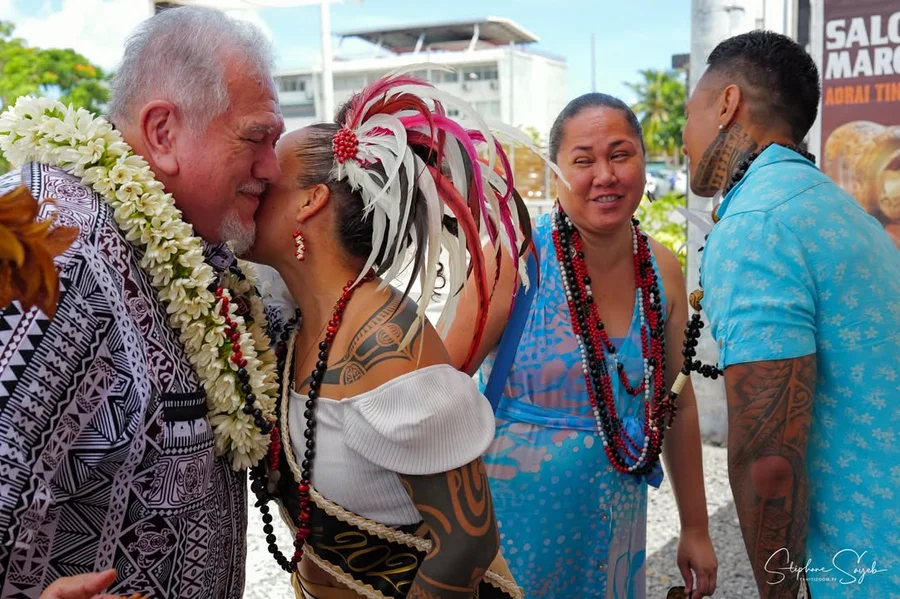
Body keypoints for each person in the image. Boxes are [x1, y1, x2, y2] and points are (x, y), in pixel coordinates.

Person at [0, 6, 283, 598]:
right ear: (162, 133)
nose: (272, 168)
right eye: (256, 139)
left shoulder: (208, 252)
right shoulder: (40, 241)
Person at [244, 73, 537, 599]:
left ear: (311, 202)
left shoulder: (390, 349)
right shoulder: (298, 321)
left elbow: (468, 543)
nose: (251, 183)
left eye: (266, 184)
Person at [442, 93, 718, 598]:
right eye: (583, 160)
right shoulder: (514, 259)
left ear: (643, 161)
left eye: (620, 154)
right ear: (557, 174)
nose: (605, 175)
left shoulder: (663, 270)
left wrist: (695, 527)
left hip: (615, 535)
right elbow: (437, 386)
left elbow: (675, 402)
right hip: (508, 539)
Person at [682, 30, 900, 597]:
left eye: (690, 115)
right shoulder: (836, 209)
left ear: (727, 105)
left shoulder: (758, 223)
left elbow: (768, 462)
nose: (684, 140)